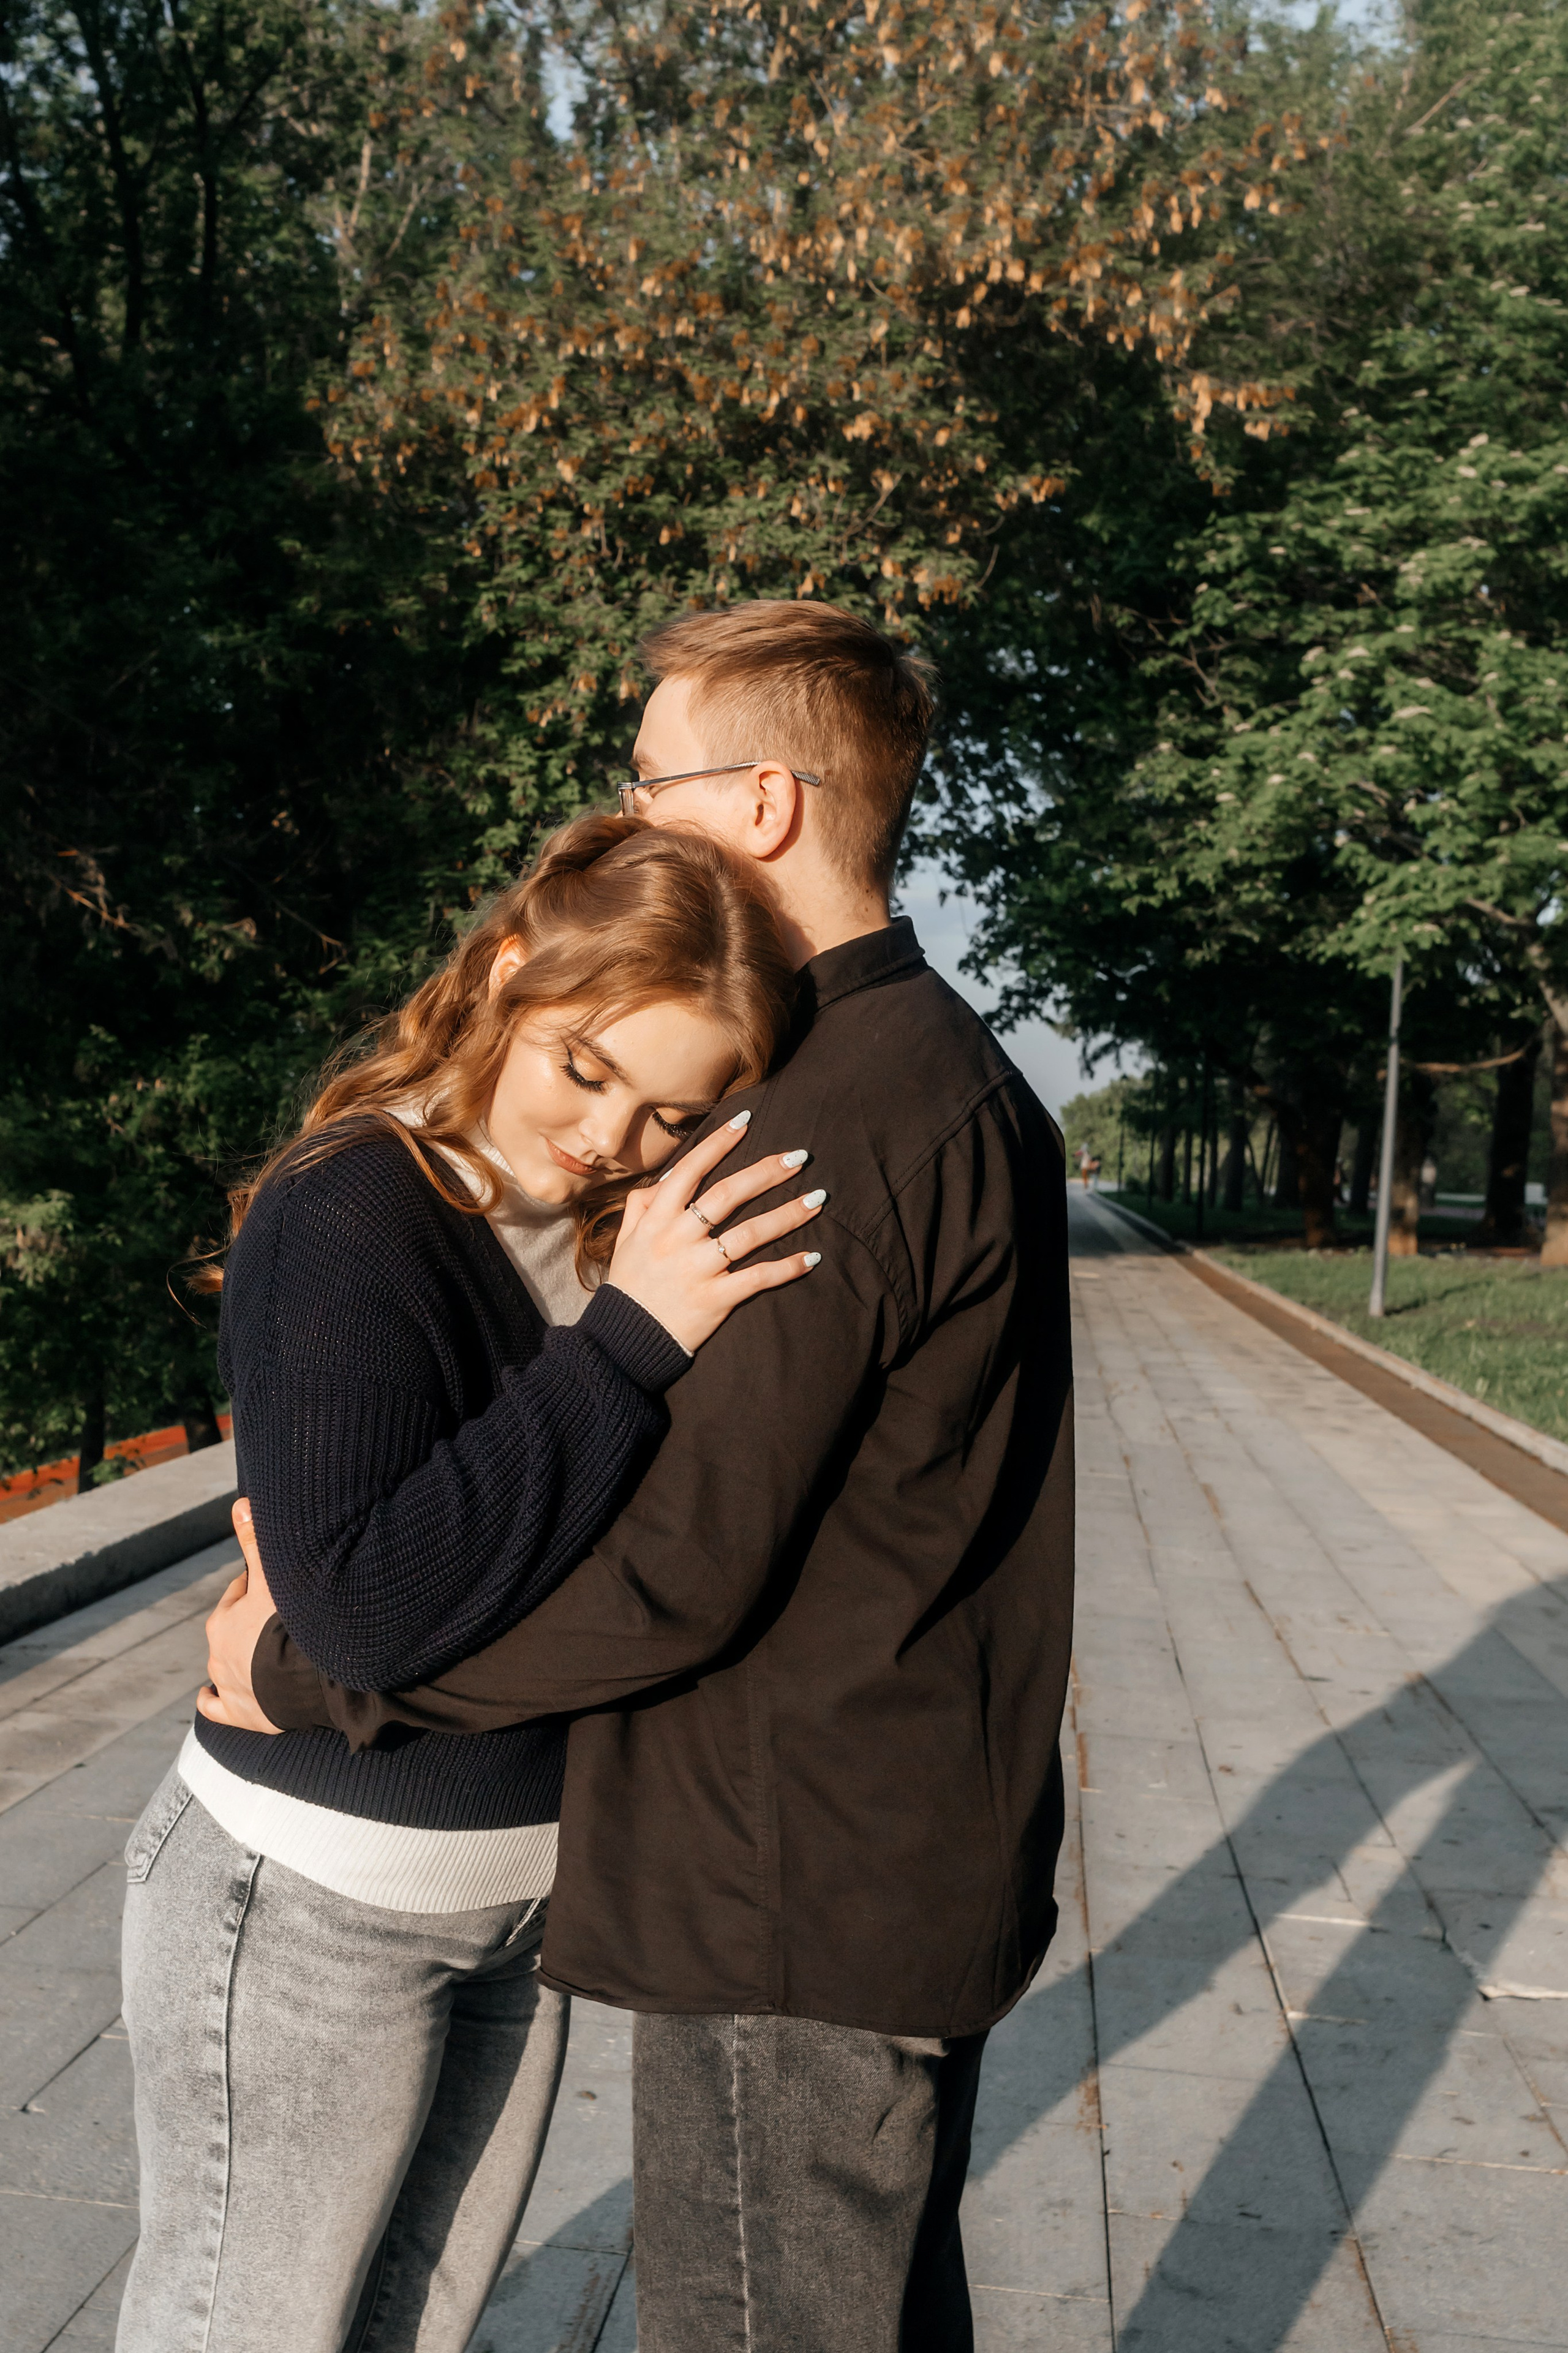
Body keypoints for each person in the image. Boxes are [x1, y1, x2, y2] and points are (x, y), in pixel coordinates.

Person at [208, 599, 1075, 2352]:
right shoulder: (950, 1079)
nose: (623, 823)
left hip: (786, 1903)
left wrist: (307, 1670)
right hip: (887, 1865)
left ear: (760, 805)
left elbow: (675, 1565)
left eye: (650, 778)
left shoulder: (823, 1127)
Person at [117, 817, 827, 2353]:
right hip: (304, 1904)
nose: (610, 1135)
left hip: (514, 1916)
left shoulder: (629, 1227)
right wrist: (630, 1338)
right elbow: (370, 1609)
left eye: (667, 1110)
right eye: (584, 1067)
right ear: (509, 969)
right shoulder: (353, 1212)